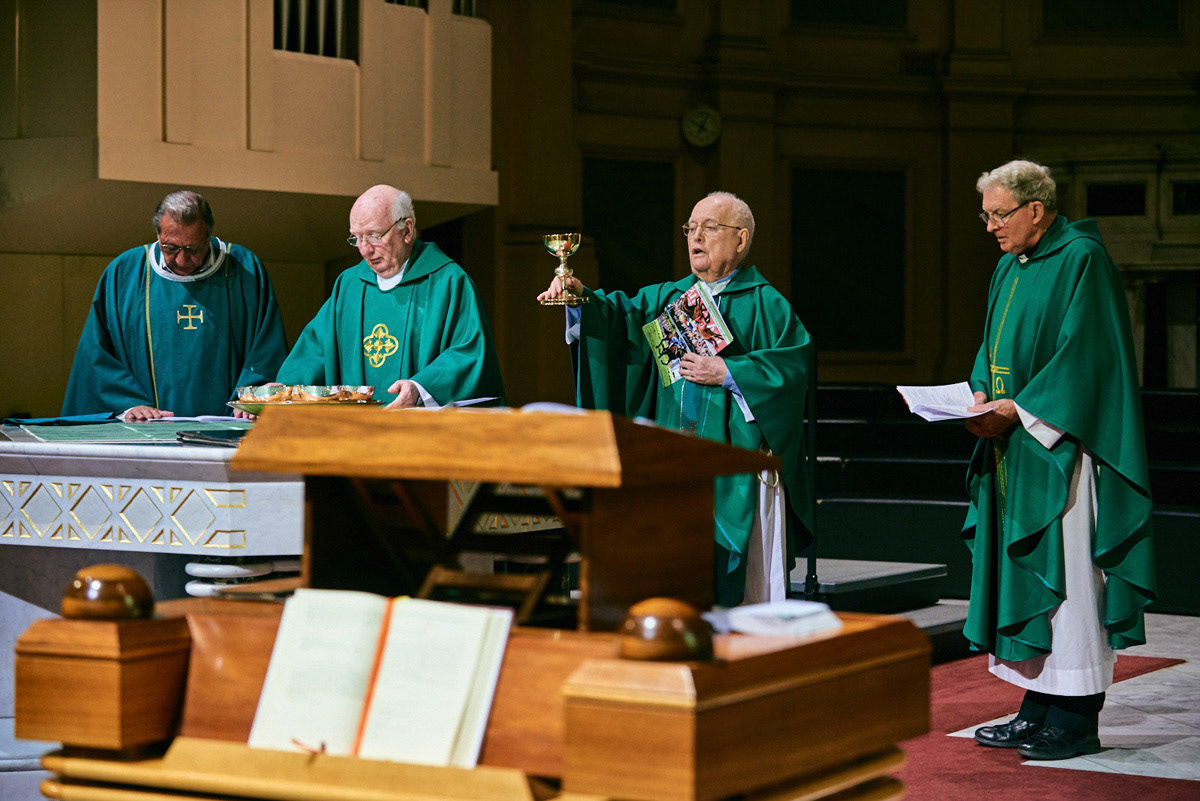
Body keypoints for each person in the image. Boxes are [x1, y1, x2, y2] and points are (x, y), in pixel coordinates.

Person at [963, 160, 1156, 761]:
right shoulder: (1007, 267)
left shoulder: (1082, 260)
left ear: (1037, 210)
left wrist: (1019, 412)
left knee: (1070, 583)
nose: (991, 226)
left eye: (999, 214)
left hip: (1062, 447)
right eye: (986, 214)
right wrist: (974, 397)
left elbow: (1087, 359)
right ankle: (1037, 706)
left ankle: (1076, 718)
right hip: (1013, 448)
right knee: (1026, 577)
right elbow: (990, 346)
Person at [538, 191, 813, 606]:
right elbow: (616, 322)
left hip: (737, 472)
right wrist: (580, 298)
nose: (695, 236)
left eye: (709, 227)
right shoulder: (667, 298)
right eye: (690, 228)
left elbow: (792, 370)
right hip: (674, 462)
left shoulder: (766, 304)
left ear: (740, 240)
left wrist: (729, 372)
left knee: (739, 599)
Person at [62, 191, 288, 421]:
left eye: (192, 249)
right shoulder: (125, 273)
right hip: (146, 431)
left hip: (230, 429)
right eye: (170, 248)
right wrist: (129, 404)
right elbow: (96, 355)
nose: (181, 260)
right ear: (157, 234)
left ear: (208, 236)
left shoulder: (244, 269)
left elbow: (267, 350)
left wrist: (254, 395)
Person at [276, 185, 504, 407]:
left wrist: (419, 387)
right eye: (356, 238)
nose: (365, 250)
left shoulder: (448, 282)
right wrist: (280, 389)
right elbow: (318, 347)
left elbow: (471, 352)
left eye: (374, 236)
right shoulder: (349, 284)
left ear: (407, 230)